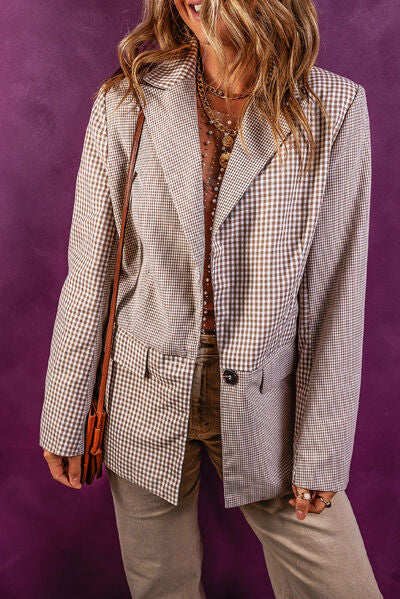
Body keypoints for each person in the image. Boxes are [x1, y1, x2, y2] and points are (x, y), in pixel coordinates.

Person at [39, 1, 383, 597]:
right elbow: (91, 273)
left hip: (268, 405)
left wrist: (322, 450)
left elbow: (335, 294)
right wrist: (65, 417)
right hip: (141, 394)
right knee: (160, 587)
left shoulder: (334, 107)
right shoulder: (129, 100)